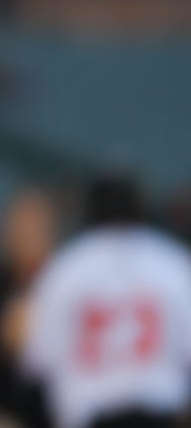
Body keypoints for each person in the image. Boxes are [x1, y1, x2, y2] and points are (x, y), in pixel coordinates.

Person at [22, 176, 191, 428]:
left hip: (90, 413)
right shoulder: (171, 261)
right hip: (161, 414)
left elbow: (39, 360)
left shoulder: (67, 265)